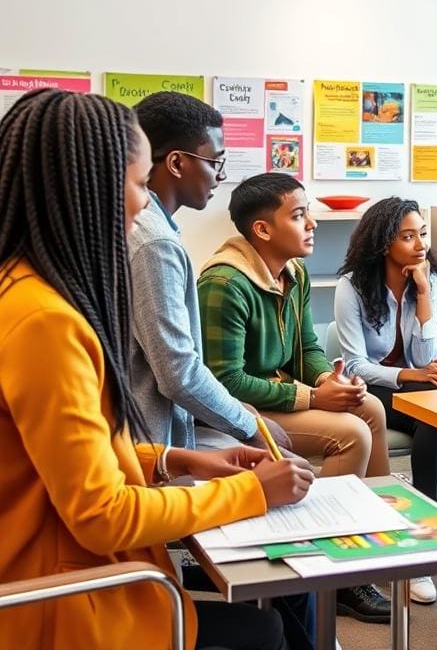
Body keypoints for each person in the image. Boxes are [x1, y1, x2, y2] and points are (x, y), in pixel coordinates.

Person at [0, 89, 314, 650]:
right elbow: (100, 514)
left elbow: (70, 456)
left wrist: (176, 458)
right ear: (90, 188)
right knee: (266, 626)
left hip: (73, 565)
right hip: (66, 601)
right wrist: (253, 492)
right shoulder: (44, 322)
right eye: (139, 184)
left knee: (270, 611)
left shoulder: (25, 290)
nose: (144, 204)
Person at [129, 92, 317, 647]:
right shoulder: (155, 241)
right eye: (215, 161)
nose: (219, 176)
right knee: (284, 555)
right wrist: (252, 424)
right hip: (148, 446)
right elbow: (179, 372)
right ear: (177, 162)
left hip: (161, 445)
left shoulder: (158, 231)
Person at [197, 172, 391, 623]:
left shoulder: (294, 273)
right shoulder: (224, 283)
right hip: (235, 410)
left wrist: (329, 380)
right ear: (262, 229)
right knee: (350, 435)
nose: (313, 224)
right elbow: (222, 381)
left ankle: (372, 545)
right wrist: (310, 398)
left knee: (371, 408)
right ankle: (327, 571)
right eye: (300, 215)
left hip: (280, 394)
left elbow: (307, 347)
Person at [334, 198, 437, 606]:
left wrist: (422, 293)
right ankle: (421, 532)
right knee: (432, 395)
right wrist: (406, 376)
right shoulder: (352, 285)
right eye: (408, 236)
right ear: (384, 242)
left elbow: (426, 357)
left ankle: (420, 525)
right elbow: (354, 364)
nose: (420, 243)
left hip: (414, 389)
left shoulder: (429, 279)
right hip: (368, 391)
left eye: (423, 233)